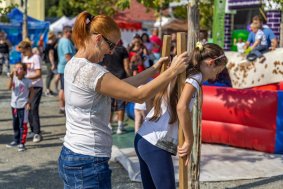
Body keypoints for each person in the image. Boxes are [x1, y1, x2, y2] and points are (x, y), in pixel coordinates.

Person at [58, 11, 188, 189]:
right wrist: (172, 71)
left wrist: (154, 70)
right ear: (98, 39)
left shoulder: (75, 64)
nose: (111, 52)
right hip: (88, 160)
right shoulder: (91, 71)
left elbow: (121, 85)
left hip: (73, 153)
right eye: (111, 45)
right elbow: (138, 95)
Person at [135, 43, 227, 189]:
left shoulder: (184, 72)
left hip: (143, 137)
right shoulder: (195, 77)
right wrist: (189, 141)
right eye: (218, 71)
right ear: (211, 63)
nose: (216, 76)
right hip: (155, 143)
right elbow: (182, 107)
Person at [101, 40, 131, 134]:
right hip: (121, 77)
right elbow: (126, 66)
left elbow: (104, 65)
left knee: (109, 103)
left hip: (109, 77)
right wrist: (130, 77)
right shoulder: (123, 49)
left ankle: (109, 125)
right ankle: (120, 127)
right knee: (121, 104)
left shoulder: (106, 50)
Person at [18, 40, 43, 143]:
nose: (22, 54)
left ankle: (37, 133)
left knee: (33, 108)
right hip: (28, 87)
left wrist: (27, 77)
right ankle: (33, 130)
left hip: (36, 86)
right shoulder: (24, 58)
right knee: (27, 109)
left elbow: (39, 73)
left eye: (23, 52)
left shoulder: (36, 57)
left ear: (28, 49)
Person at [6, 62, 34, 152]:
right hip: (14, 105)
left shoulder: (28, 81)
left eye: (20, 68)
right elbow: (8, 87)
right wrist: (11, 77)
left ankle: (22, 143)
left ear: (24, 71)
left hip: (23, 105)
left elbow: (32, 92)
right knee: (15, 124)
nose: (18, 70)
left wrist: (29, 102)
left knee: (23, 124)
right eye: (16, 68)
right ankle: (16, 140)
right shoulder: (13, 78)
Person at [57, 25, 75, 114]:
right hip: (66, 68)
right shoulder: (66, 42)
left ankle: (62, 107)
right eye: (70, 32)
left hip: (62, 67)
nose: (71, 34)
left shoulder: (61, 40)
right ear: (66, 32)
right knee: (65, 89)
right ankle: (63, 106)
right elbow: (67, 55)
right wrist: (74, 67)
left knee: (62, 88)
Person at [44, 32, 59, 96]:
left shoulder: (48, 44)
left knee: (50, 76)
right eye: (55, 37)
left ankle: (49, 89)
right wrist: (53, 64)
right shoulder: (50, 45)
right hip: (50, 62)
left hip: (48, 62)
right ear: (53, 37)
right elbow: (51, 55)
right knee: (50, 76)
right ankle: (47, 90)